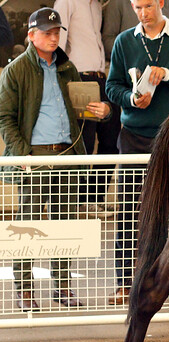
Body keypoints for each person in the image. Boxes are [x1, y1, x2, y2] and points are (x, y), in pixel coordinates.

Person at [0, 7, 111, 310]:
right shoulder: (16, 71)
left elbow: (80, 109)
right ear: (31, 35)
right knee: (26, 226)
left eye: (56, 32)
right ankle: (25, 289)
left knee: (64, 227)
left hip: (65, 155)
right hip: (34, 157)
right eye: (46, 32)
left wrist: (101, 111)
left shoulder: (67, 67)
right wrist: (22, 155)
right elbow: (4, 118)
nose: (53, 37)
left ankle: (62, 288)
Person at [105, 0, 169, 306]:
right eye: (137, 8)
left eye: (148, 6)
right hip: (133, 135)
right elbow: (112, 87)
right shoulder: (124, 41)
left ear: (161, 3)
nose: (143, 13)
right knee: (127, 212)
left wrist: (168, 74)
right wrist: (132, 99)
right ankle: (125, 281)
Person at [53, 0, 121, 215]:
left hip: (101, 78)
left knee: (112, 140)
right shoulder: (66, 2)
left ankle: (94, 198)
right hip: (78, 77)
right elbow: (58, 43)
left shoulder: (96, 6)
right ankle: (81, 200)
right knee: (85, 140)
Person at [102, 0, 169, 60]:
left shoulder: (168, 4)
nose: (144, 14)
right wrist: (133, 54)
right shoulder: (117, 3)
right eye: (138, 8)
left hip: (166, 68)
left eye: (149, 6)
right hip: (131, 70)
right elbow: (108, 39)